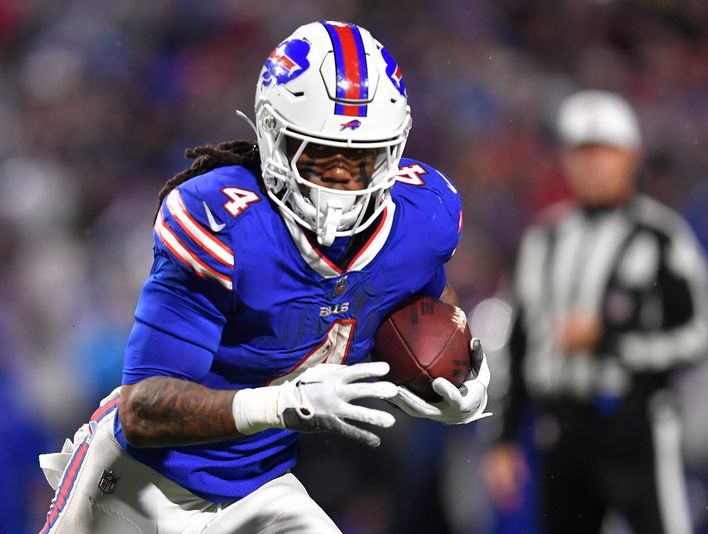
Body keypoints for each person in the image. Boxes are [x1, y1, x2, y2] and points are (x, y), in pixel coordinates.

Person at [38, 20, 490, 534]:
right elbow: (142, 412)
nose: (341, 180)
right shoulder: (225, 222)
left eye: (361, 161)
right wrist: (284, 403)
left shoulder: (419, 218)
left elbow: (427, 302)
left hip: (260, 485)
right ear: (275, 139)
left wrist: (456, 381)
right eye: (320, 156)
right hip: (141, 484)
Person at [485, 90, 708, 534]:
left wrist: (613, 343)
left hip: (634, 424)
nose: (592, 165)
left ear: (632, 156)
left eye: (604, 152)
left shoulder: (661, 237)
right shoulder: (543, 239)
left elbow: (699, 333)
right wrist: (504, 437)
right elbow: (516, 342)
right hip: (560, 429)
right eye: (580, 152)